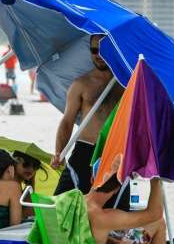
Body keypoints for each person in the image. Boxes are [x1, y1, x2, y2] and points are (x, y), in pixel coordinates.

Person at [52, 35, 128, 210]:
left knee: (114, 213)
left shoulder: (127, 84)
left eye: (102, 50)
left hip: (114, 154)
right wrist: (59, 151)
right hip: (84, 153)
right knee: (60, 207)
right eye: (94, 50)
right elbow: (67, 121)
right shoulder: (81, 84)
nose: (98, 55)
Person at [86, 156, 166, 244]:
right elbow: (155, 214)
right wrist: (156, 178)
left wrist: (116, 242)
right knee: (159, 222)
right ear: (118, 188)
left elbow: (84, 234)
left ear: (92, 179)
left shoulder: (71, 201)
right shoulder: (105, 217)